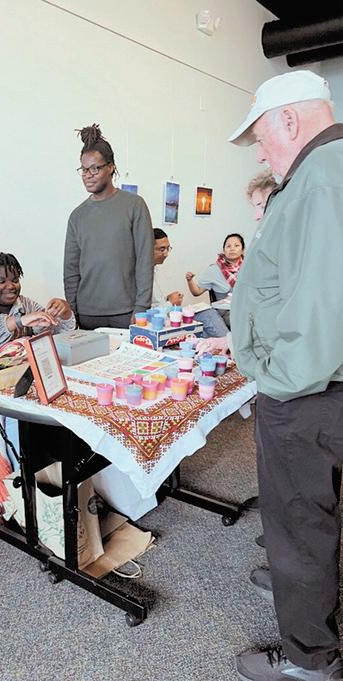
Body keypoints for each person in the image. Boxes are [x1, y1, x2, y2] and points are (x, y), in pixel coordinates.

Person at [228, 70, 343, 680]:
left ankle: (309, 660)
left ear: (290, 120)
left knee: (299, 520)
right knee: (312, 516)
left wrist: (275, 376)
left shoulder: (320, 178)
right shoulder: (322, 174)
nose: (260, 153)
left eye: (260, 138)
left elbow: (322, 308)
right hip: (318, 387)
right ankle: (305, 591)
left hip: (305, 392)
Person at [63, 123, 154, 330]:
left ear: (111, 167)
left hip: (127, 312)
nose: (88, 175)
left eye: (95, 168)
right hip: (87, 314)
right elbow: (71, 269)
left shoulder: (134, 205)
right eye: (84, 169)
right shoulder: (77, 216)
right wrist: (73, 313)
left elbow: (145, 260)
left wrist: (142, 307)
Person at [0, 252, 76, 362]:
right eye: (1, 281)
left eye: (15, 280)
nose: (10, 286)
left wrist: (64, 314)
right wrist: (18, 321)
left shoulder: (26, 304)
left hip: (17, 374)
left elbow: (58, 339)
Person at [152, 228, 228, 337]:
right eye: (162, 249)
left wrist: (167, 299)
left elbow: (155, 302)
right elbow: (148, 312)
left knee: (207, 327)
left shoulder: (244, 269)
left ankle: (227, 343)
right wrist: (170, 303)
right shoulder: (215, 269)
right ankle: (230, 344)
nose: (166, 254)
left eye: (168, 248)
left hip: (166, 312)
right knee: (208, 315)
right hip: (160, 321)